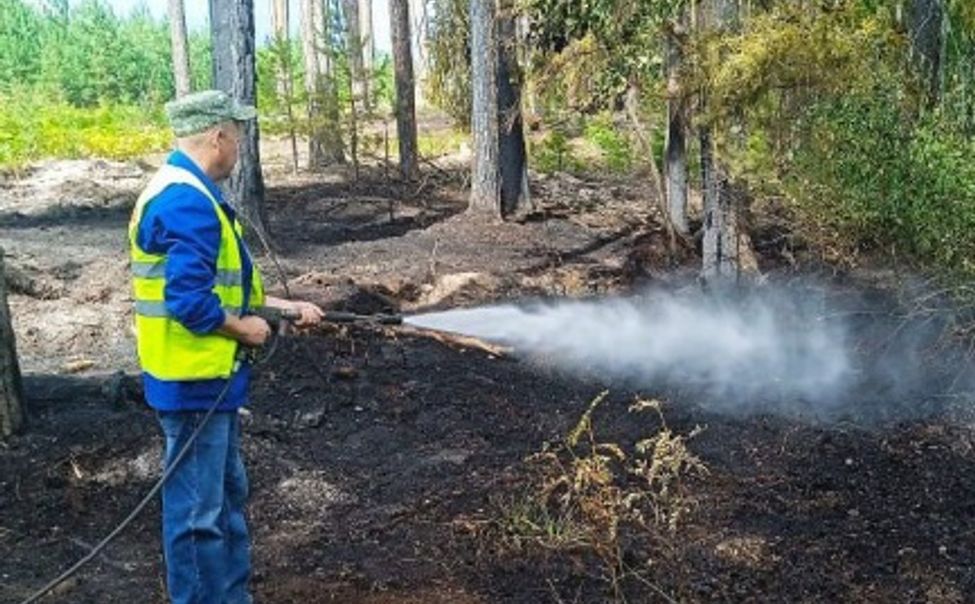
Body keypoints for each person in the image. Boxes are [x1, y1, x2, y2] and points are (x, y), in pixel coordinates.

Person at [128, 90, 323, 604]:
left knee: (226, 502)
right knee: (197, 519)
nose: (239, 146)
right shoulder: (185, 202)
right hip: (194, 385)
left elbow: (220, 288)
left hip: (209, 384)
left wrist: (281, 307)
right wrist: (247, 331)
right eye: (236, 135)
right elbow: (189, 303)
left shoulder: (188, 192)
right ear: (217, 137)